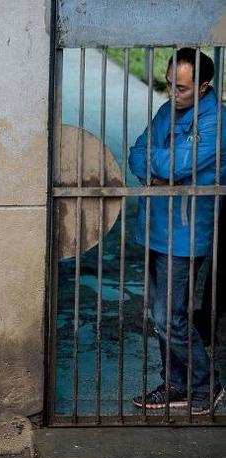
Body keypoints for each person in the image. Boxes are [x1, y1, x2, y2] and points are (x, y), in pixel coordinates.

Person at [129, 48, 225, 414]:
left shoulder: (216, 121)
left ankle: (205, 384)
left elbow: (182, 164)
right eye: (169, 84)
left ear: (203, 87)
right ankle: (176, 383)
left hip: (185, 232)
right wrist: (159, 166)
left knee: (172, 317)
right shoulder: (167, 111)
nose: (173, 93)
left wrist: (161, 167)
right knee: (159, 316)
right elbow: (137, 152)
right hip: (156, 224)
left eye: (182, 88)